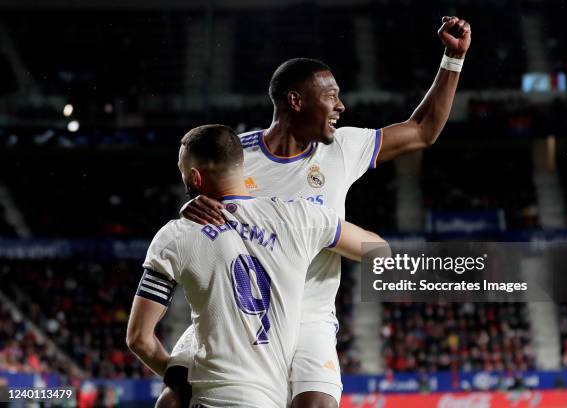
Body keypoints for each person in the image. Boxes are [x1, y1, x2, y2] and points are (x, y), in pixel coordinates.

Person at [170, 15, 472, 408]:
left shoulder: (343, 148)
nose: (341, 106)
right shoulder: (236, 157)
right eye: (331, 96)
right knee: (172, 399)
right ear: (296, 101)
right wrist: (191, 205)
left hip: (308, 316)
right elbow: (194, 192)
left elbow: (422, 130)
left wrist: (453, 58)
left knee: (318, 405)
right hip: (237, 313)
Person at [126, 125, 386, 407]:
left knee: (168, 402)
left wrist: (179, 382)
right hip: (264, 396)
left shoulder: (174, 236)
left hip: (207, 397)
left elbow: (139, 338)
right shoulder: (300, 218)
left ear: (195, 177)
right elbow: (379, 250)